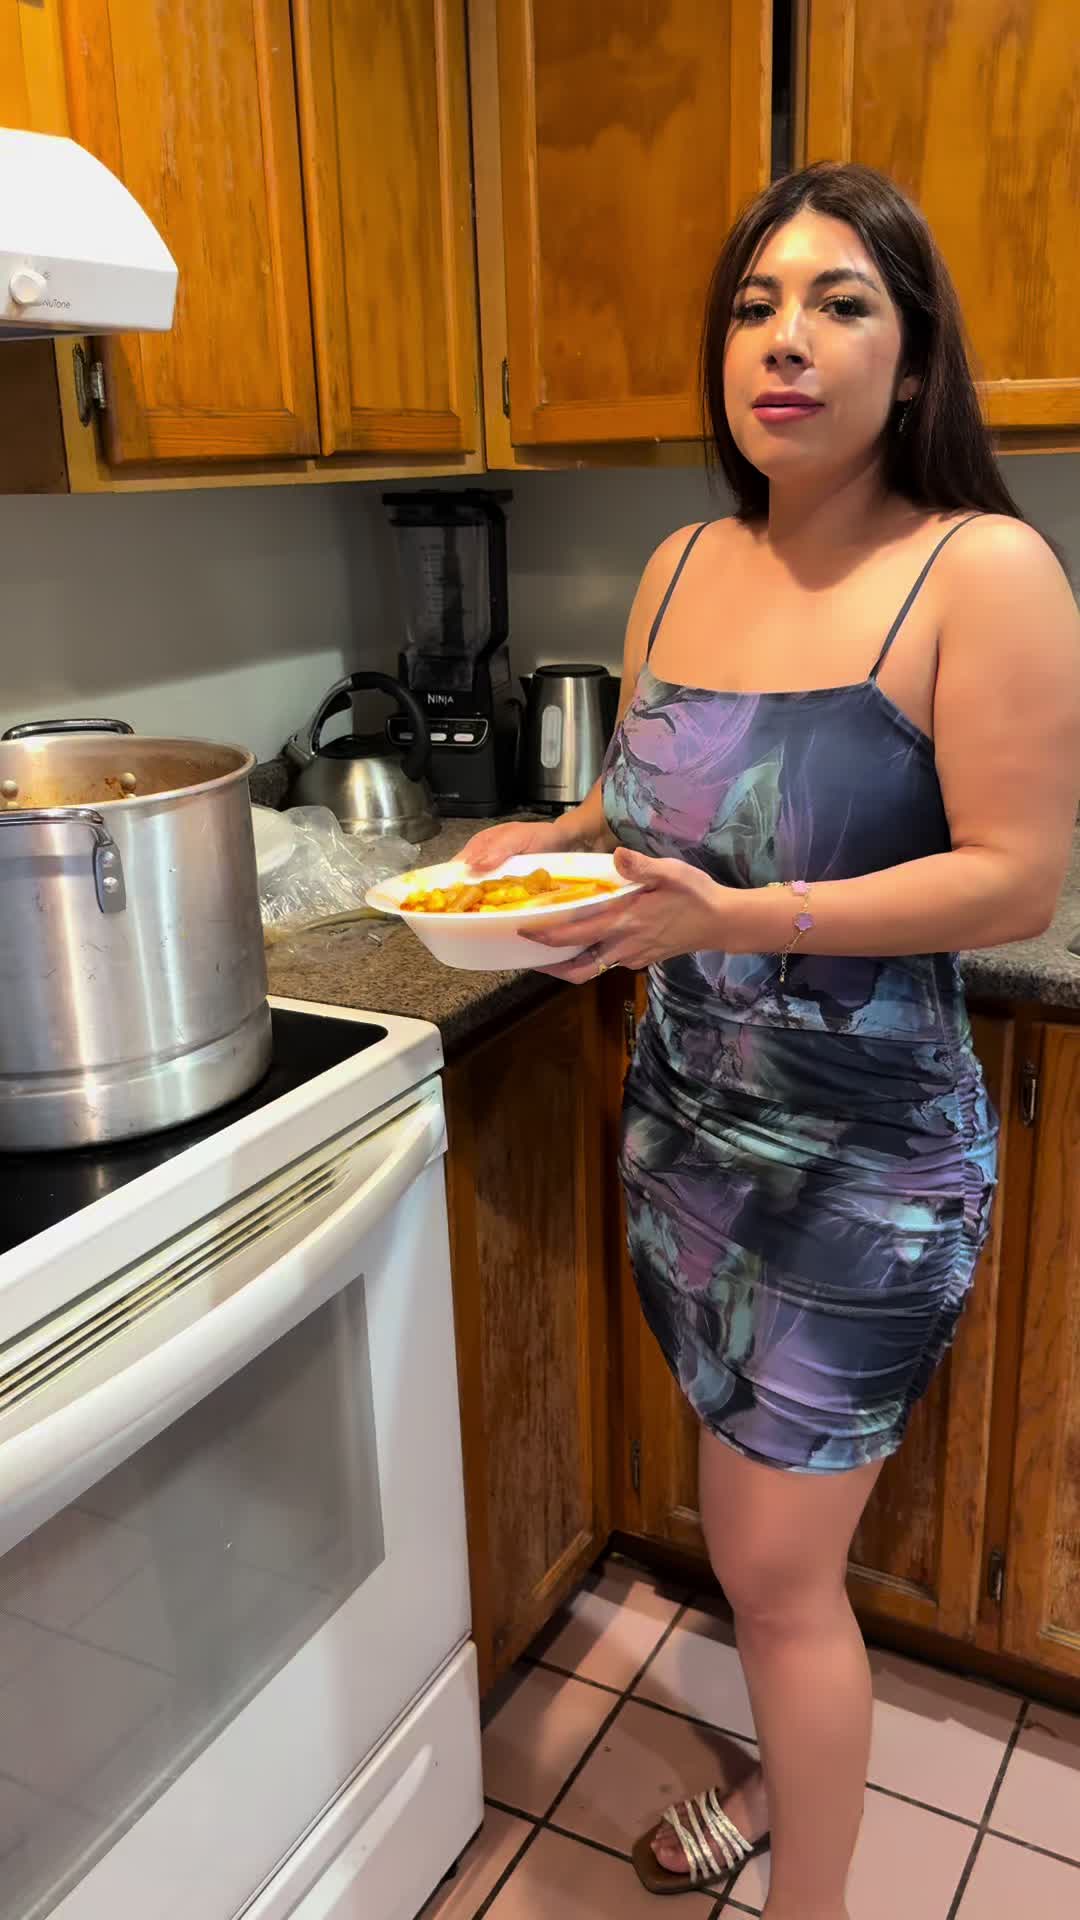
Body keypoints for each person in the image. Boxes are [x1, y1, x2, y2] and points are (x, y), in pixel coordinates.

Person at [463, 162, 1080, 1920]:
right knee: (761, 1557)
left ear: (914, 355)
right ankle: (772, 1779)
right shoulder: (678, 565)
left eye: (838, 303)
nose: (785, 342)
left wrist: (733, 921)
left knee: (779, 1576)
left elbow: (1016, 879)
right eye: (755, 306)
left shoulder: (981, 570)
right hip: (687, 1141)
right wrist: (547, 842)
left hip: (864, 1175)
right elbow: (655, 797)